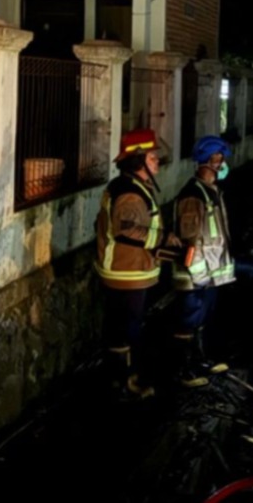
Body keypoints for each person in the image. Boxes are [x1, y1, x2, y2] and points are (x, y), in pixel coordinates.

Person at [94, 128, 170, 400]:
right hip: (128, 272)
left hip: (124, 270)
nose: (157, 162)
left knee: (120, 327)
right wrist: (164, 239)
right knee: (127, 328)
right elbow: (128, 231)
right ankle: (125, 383)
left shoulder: (126, 186)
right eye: (151, 158)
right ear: (138, 162)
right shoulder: (129, 192)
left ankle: (118, 381)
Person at [170, 135, 236, 388]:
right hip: (194, 277)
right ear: (208, 161)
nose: (222, 164)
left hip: (208, 275)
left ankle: (199, 361)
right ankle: (182, 370)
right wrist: (199, 275)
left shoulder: (211, 192)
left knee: (201, 320)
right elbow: (190, 240)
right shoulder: (192, 195)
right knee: (187, 322)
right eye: (219, 159)